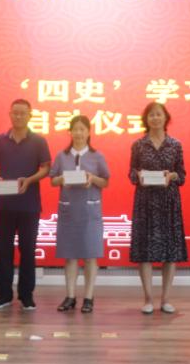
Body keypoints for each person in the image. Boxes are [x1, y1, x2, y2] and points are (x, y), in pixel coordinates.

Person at [0, 98, 51, 311]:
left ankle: (26, 295)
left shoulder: (39, 141)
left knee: (28, 250)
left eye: (23, 113)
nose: (19, 116)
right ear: (10, 114)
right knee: (4, 250)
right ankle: (4, 294)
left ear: (30, 115)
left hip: (29, 205)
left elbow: (46, 168)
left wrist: (30, 180)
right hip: (3, 205)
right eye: (15, 113)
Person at [128, 102, 187, 314]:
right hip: (145, 201)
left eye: (158, 114)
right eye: (151, 115)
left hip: (168, 202)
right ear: (146, 119)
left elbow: (182, 175)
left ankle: (166, 299)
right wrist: (139, 176)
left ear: (165, 118)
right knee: (145, 251)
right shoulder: (138, 145)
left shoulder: (175, 144)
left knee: (170, 251)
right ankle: (148, 299)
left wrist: (173, 176)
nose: (155, 118)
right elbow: (131, 174)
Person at [50, 115, 110, 314]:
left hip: (89, 211)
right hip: (69, 211)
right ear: (70, 132)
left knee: (91, 256)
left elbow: (105, 181)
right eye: (75, 129)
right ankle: (70, 296)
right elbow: (52, 180)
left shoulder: (97, 156)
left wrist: (92, 178)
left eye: (82, 129)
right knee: (70, 256)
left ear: (89, 132)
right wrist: (62, 179)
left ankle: (89, 297)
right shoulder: (62, 156)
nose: (78, 133)